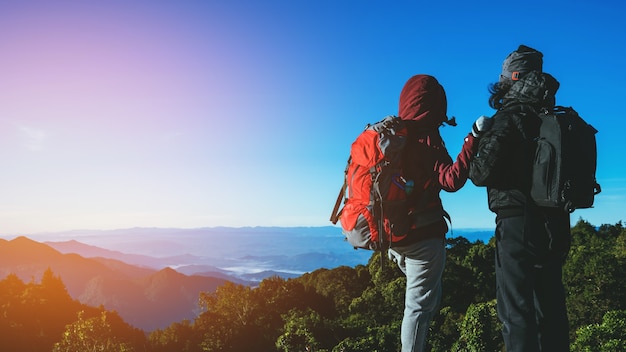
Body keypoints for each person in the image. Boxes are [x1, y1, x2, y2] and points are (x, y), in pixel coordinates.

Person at [469, 45, 571, 351]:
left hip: (517, 224)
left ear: (513, 77)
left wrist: (473, 141)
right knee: (551, 308)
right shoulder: (552, 117)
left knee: (515, 312)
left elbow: (479, 174)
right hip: (556, 222)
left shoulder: (508, 118)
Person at [387, 74, 491, 352]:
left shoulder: (392, 139)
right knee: (418, 308)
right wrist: (472, 139)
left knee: (423, 299)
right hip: (424, 236)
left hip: (394, 237)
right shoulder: (427, 141)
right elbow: (452, 180)